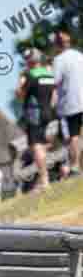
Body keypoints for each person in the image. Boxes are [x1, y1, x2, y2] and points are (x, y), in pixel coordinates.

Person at [16, 48, 56, 191]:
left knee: (36, 145)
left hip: (34, 114)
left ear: (29, 61)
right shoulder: (49, 74)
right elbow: (54, 96)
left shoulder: (29, 75)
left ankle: (45, 181)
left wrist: (20, 81)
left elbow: (20, 94)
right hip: (48, 112)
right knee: (43, 144)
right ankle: (42, 178)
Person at [53, 29, 83, 177]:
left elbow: (55, 81)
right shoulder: (80, 56)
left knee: (74, 136)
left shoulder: (59, 60)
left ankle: (76, 167)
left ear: (58, 45)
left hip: (71, 103)